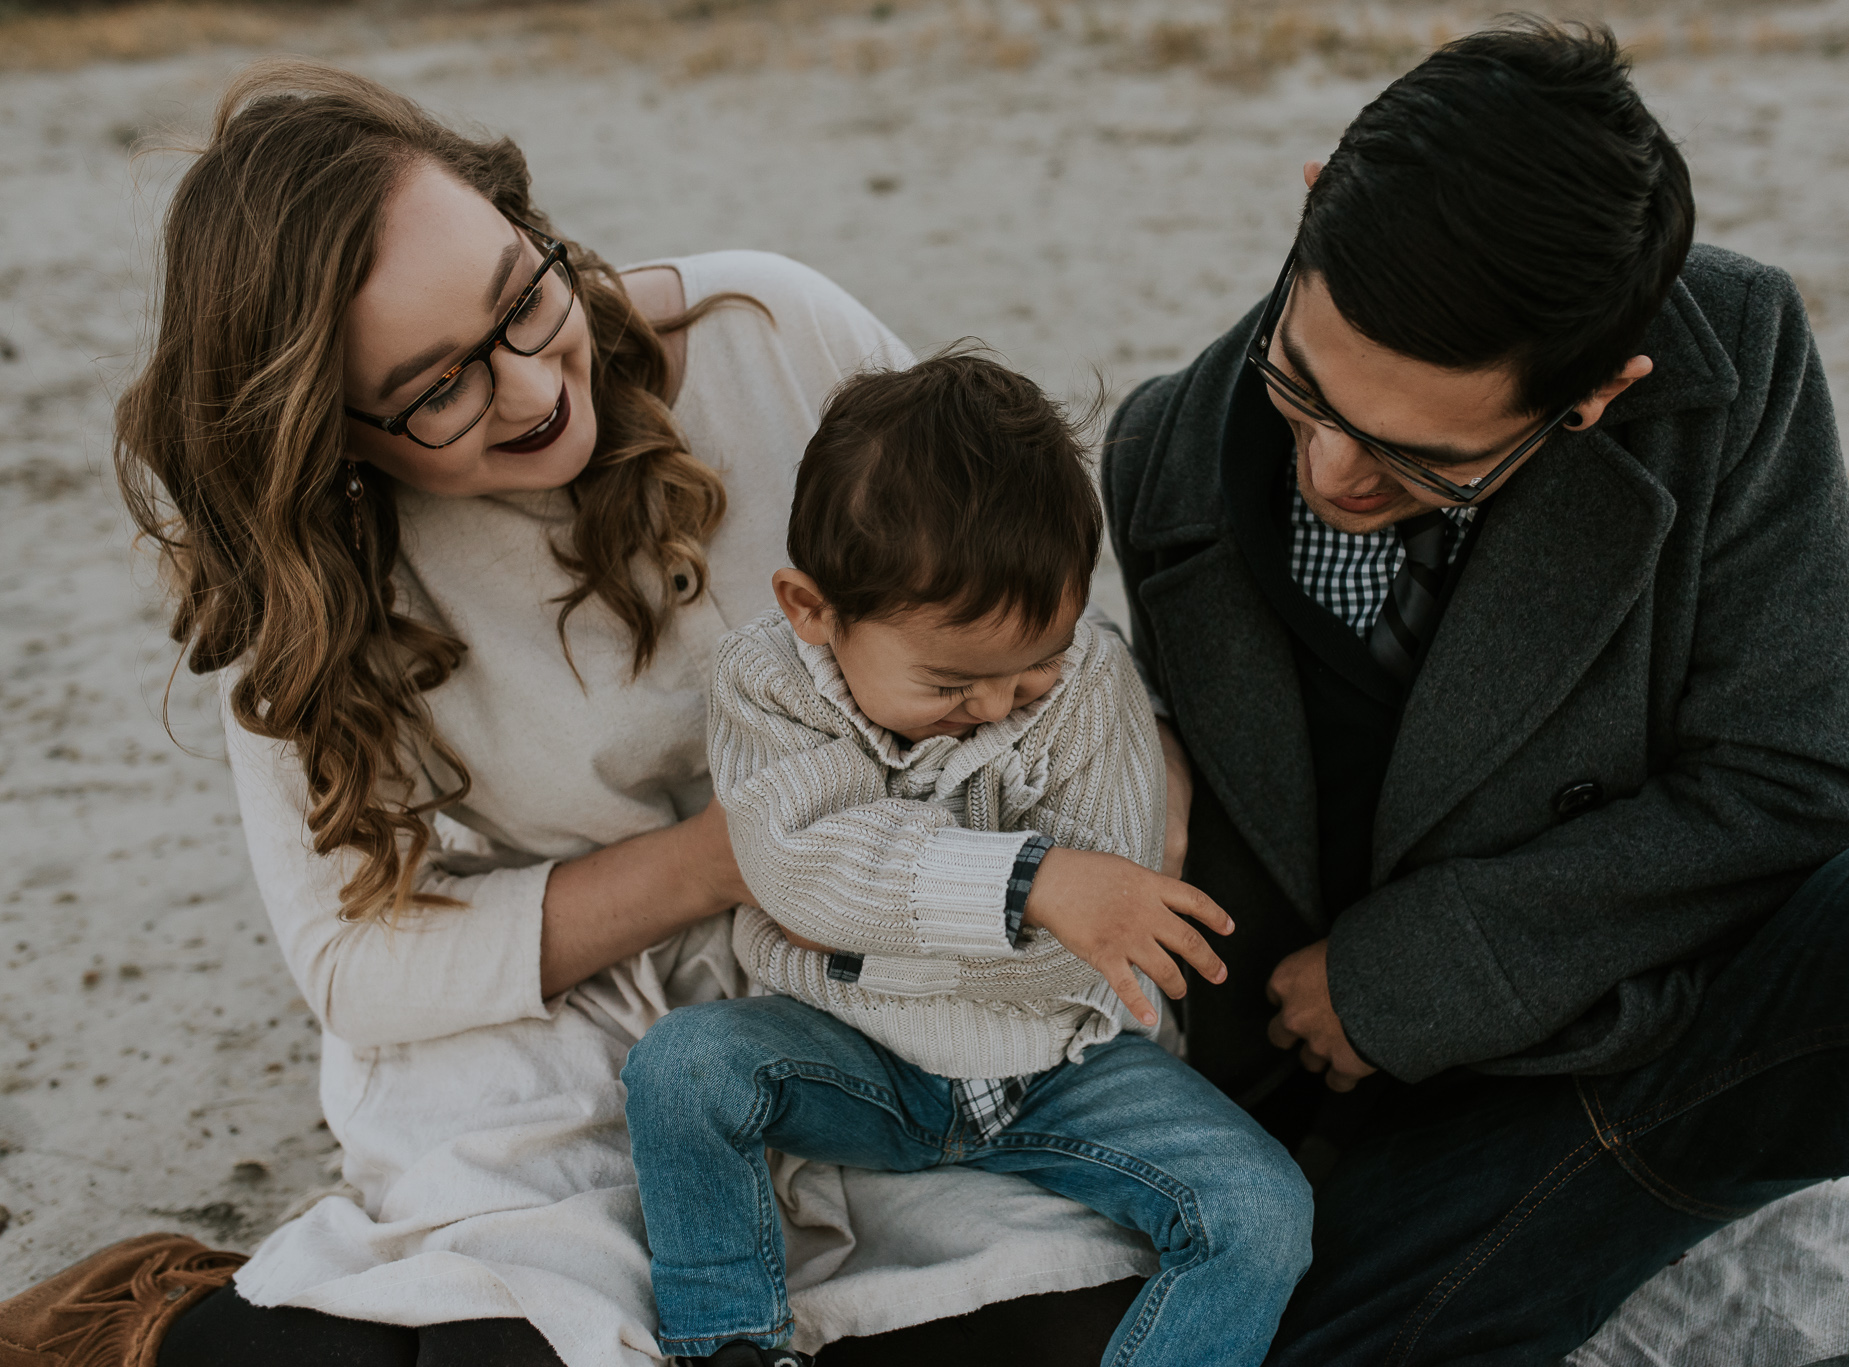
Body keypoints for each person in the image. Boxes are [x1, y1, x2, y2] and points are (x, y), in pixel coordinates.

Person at [0, 59, 1165, 1367]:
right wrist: (720, 858)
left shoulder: (771, 338)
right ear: (331, 432)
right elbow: (353, 962)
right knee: (526, 1336)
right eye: (436, 387)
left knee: (1057, 1318)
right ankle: (167, 1317)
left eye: (523, 296)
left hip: (863, 960)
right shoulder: (313, 578)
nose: (533, 386)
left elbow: (1024, 622)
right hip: (553, 1013)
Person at [1100, 18, 1849, 1365]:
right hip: (1427, 1148)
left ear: (1600, 391)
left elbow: (1805, 784)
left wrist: (1426, 965)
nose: (1326, 469)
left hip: (1711, 1025)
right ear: (1313, 203)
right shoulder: (1157, 455)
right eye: (1304, 388)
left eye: (1416, 461)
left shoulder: (1738, 353)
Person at [621, 353, 1313, 1367]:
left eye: (1033, 667)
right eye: (950, 684)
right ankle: (730, 1340)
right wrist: (1027, 882)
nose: (996, 702)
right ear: (813, 609)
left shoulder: (1088, 687)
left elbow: (1096, 928)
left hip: (1058, 1065)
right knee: (679, 1068)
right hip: (852, 1048)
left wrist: (875, 917)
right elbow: (792, 862)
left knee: (1263, 1208)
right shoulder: (767, 684)